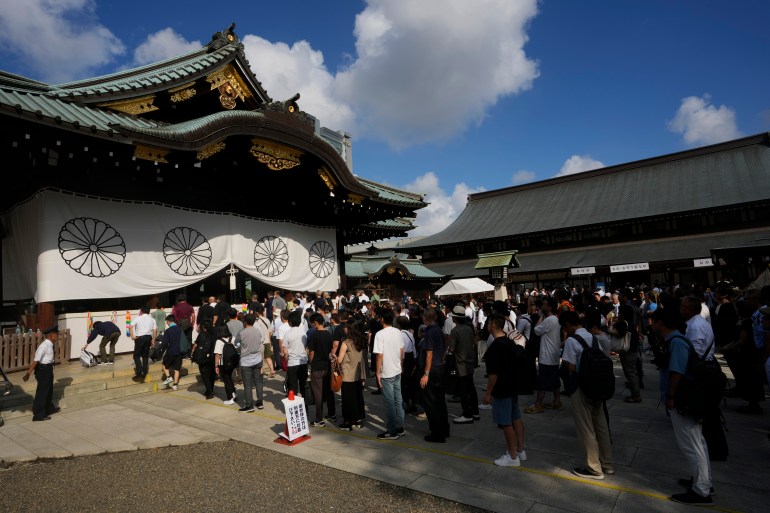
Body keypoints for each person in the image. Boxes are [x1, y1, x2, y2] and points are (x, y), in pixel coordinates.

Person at [650, 308, 715, 506]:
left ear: (660, 323)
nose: (651, 324)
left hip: (683, 398)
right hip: (686, 397)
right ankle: (703, 481)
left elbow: (677, 372)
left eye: (653, 321)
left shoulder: (676, 342)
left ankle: (701, 491)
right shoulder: (678, 339)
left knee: (691, 444)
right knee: (697, 442)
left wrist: (671, 396)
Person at [560, 310, 614, 480]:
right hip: (598, 385)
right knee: (601, 425)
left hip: (580, 386)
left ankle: (593, 468)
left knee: (586, 428)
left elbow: (569, 366)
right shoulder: (593, 337)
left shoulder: (571, 340)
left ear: (568, 325)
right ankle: (607, 464)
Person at [482, 313, 526, 466]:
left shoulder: (495, 347)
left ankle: (512, 457)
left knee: (505, 422)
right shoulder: (509, 342)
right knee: (516, 417)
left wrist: (488, 393)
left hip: (502, 388)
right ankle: (520, 450)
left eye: (488, 323)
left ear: (493, 325)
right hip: (513, 385)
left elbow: (493, 374)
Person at [526, 297, 562, 413]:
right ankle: (557, 401)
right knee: (555, 379)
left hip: (546, 355)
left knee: (542, 381)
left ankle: (538, 404)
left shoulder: (548, 320)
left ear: (549, 307)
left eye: (545, 305)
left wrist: (541, 316)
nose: (542, 307)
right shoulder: (555, 319)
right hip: (554, 354)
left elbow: (536, 330)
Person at [419, 308, 450, 443]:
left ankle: (437, 433)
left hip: (432, 370)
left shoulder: (430, 332)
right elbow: (444, 348)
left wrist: (426, 373)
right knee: (440, 400)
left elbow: (429, 354)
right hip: (439, 367)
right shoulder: (438, 330)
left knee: (431, 402)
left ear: (425, 318)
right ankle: (444, 429)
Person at [374, 310, 405, 439]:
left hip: (387, 372)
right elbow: (402, 350)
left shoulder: (380, 334)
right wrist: (401, 366)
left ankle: (392, 431)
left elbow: (379, 354)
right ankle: (400, 427)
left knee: (390, 402)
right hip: (397, 369)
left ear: (382, 319)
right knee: (398, 400)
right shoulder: (398, 332)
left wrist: (377, 372)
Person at [22, 325, 61, 421]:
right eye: (56, 334)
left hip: (48, 369)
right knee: (42, 393)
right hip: (43, 370)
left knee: (49, 391)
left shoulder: (50, 344)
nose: (57, 336)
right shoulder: (44, 345)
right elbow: (36, 360)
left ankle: (48, 409)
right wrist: (28, 373)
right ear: (51, 335)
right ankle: (38, 415)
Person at [448, 305, 479, 424]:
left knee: (463, 390)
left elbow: (451, 349)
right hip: (469, 362)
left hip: (460, 364)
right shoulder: (469, 329)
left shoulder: (455, 331)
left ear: (455, 318)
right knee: (471, 388)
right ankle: (475, 411)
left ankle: (467, 413)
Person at [337, 319, 368, 430]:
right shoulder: (363, 341)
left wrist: (334, 357)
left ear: (350, 329)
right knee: (358, 397)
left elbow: (339, 360)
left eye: (346, 327)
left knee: (347, 399)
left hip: (347, 374)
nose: (344, 328)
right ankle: (358, 420)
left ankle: (348, 422)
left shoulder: (346, 343)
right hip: (359, 374)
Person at [307, 313, 336, 426]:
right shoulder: (328, 334)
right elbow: (331, 350)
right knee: (329, 391)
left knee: (318, 393)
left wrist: (311, 362)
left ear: (315, 323)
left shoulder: (314, 335)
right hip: (327, 366)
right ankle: (332, 414)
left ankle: (319, 419)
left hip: (317, 367)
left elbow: (312, 353)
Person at [236, 314, 264, 412]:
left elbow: (236, 343)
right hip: (257, 359)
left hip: (246, 361)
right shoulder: (258, 331)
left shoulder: (241, 333)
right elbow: (261, 341)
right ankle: (260, 402)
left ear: (245, 322)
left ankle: (249, 405)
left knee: (247, 384)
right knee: (258, 382)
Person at [282, 310, 308, 398]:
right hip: (303, 362)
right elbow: (305, 347)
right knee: (303, 385)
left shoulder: (287, 334)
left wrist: (287, 360)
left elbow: (285, 352)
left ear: (289, 322)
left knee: (293, 386)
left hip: (292, 363)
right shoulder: (304, 333)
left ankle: (295, 405)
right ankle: (305, 406)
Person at [130, 305, 157, 382]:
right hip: (148, 337)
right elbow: (155, 331)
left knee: (136, 356)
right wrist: (153, 340)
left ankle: (139, 373)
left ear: (141, 311)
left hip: (140, 338)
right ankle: (144, 373)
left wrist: (132, 336)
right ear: (149, 311)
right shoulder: (152, 319)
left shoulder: (138, 318)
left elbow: (130, 326)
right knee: (145, 356)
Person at [191, 320, 217, 399]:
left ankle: (209, 392)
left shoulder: (202, 334)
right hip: (213, 357)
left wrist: (192, 353)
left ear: (203, 327)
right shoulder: (214, 334)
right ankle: (210, 389)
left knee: (205, 375)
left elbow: (196, 344)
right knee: (212, 375)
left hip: (204, 357)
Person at [214, 325, 238, 405]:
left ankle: (230, 397)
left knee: (226, 380)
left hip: (223, 363)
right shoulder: (232, 338)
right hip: (232, 361)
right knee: (230, 379)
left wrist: (216, 366)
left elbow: (217, 355)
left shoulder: (219, 341)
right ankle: (234, 393)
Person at [160, 314, 183, 391]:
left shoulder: (167, 331)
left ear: (169, 321)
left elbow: (165, 343)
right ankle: (175, 385)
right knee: (177, 369)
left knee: (164, 365)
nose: (166, 323)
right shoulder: (180, 329)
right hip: (179, 352)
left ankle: (169, 377)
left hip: (171, 351)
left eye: (167, 321)